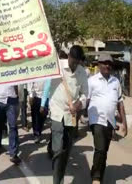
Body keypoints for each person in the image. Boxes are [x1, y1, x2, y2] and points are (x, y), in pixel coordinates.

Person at [43, 45, 88, 184]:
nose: (74, 65)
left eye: (77, 62)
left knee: (66, 149)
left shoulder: (82, 72)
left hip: (71, 116)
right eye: (73, 61)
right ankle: (57, 180)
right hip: (57, 112)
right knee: (58, 148)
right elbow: (43, 69)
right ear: (68, 57)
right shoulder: (57, 66)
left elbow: (85, 94)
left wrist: (78, 105)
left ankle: (59, 173)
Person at [87, 54, 127, 184]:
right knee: (100, 148)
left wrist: (124, 123)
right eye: (104, 63)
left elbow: (120, 102)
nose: (107, 65)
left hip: (110, 121)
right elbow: (85, 99)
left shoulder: (115, 81)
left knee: (104, 150)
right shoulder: (92, 81)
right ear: (98, 64)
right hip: (96, 119)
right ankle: (96, 178)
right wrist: (79, 114)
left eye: (110, 63)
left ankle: (96, 171)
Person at [0, 85, 21, 165]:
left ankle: (13, 153)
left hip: (11, 99)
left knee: (13, 126)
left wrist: (17, 97)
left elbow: (16, 83)